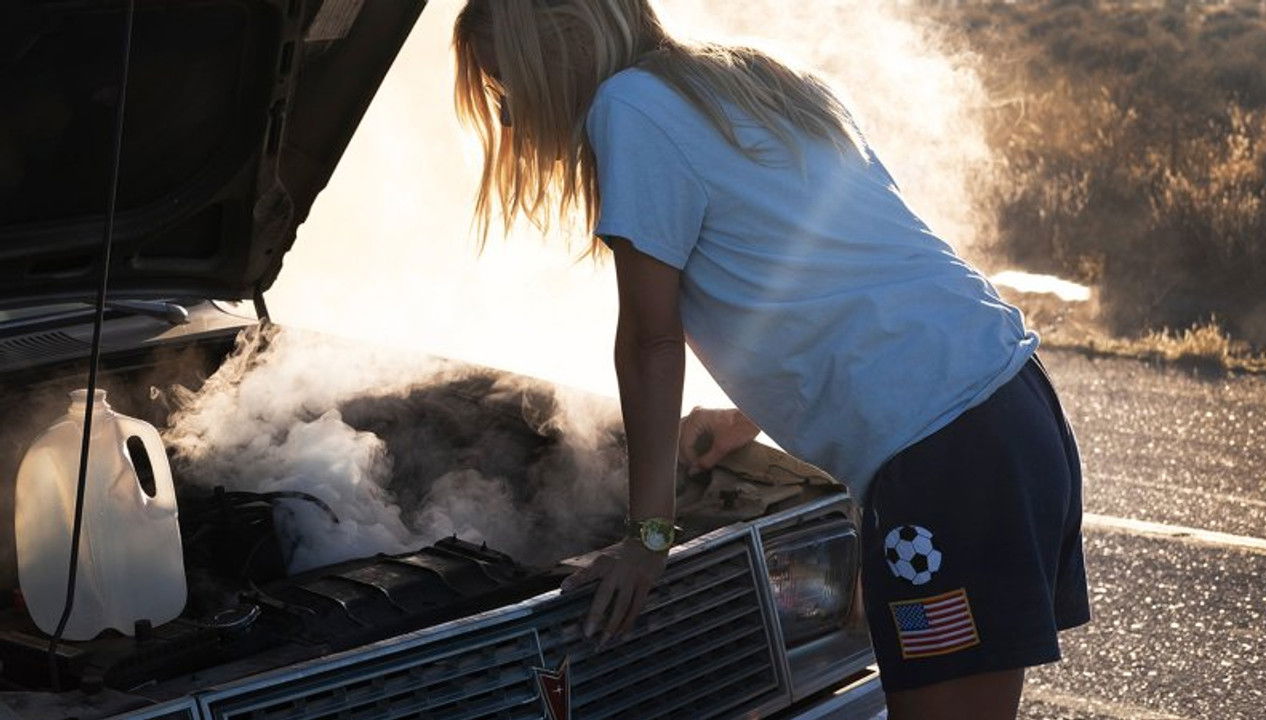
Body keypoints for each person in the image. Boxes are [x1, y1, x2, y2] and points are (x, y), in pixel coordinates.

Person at [452, 1, 1089, 717]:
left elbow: (650, 343)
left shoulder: (628, 104)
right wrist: (748, 415)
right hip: (1016, 413)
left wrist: (648, 537)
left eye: (508, 88)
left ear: (556, 55)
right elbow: (840, 262)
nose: (508, 121)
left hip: (945, 459)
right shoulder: (753, 77)